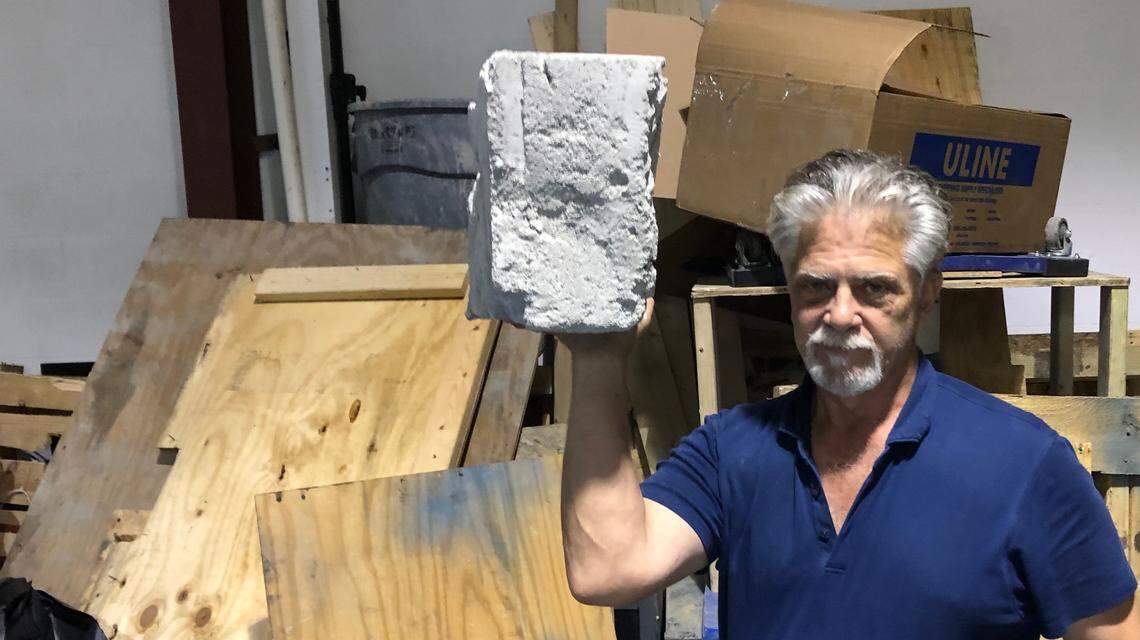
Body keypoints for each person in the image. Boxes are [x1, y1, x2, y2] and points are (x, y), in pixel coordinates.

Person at [558, 149, 1139, 639]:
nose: (839, 314)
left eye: (873, 287)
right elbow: (606, 567)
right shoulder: (731, 451)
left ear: (927, 290)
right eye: (815, 286)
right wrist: (598, 357)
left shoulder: (1025, 466)